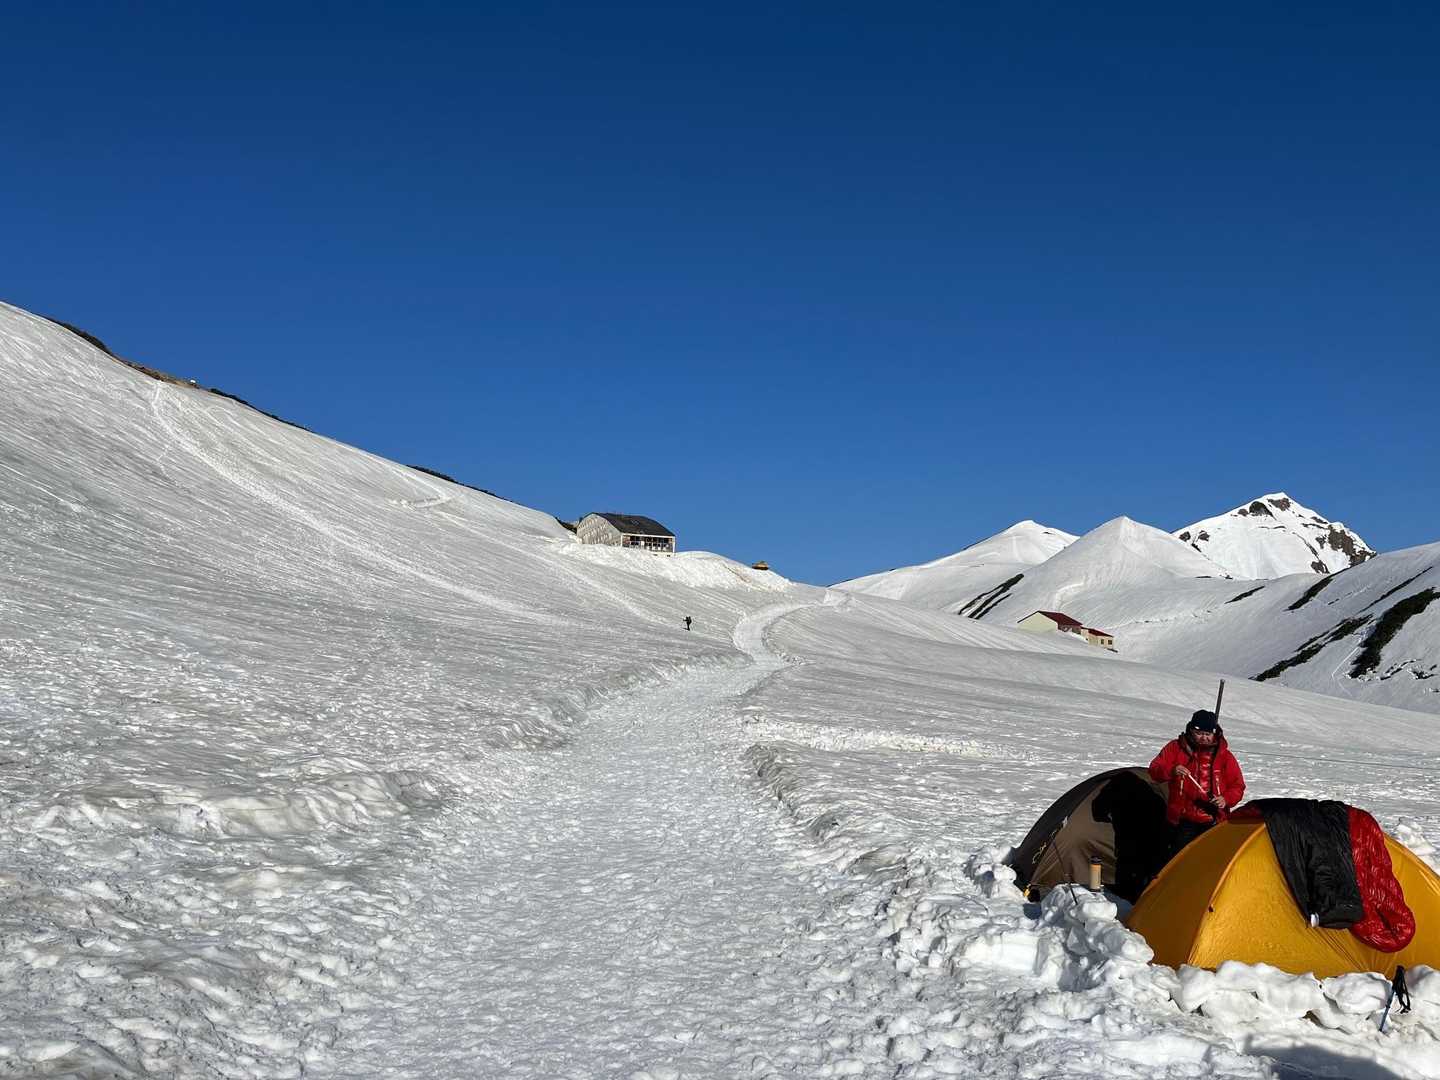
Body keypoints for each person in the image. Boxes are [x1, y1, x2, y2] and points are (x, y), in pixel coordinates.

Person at [1148, 709, 1245, 854]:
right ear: (1191, 730)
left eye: (1208, 734)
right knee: (1178, 859)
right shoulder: (1175, 747)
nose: (1204, 738)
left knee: (1208, 858)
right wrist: (1172, 770)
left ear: (1215, 733)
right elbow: (1154, 770)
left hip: (1213, 819)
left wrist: (1225, 799)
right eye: (1199, 733)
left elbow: (1237, 785)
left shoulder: (1224, 755)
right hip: (1181, 820)